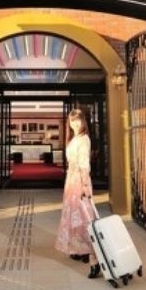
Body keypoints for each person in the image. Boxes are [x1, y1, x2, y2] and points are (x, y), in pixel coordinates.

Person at [55, 109, 101, 279]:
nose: (75, 123)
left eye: (78, 120)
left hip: (80, 183)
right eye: (72, 120)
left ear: (83, 122)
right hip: (71, 181)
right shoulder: (74, 138)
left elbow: (84, 165)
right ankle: (81, 250)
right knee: (76, 218)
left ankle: (95, 259)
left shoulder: (84, 139)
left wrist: (84, 186)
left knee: (86, 219)